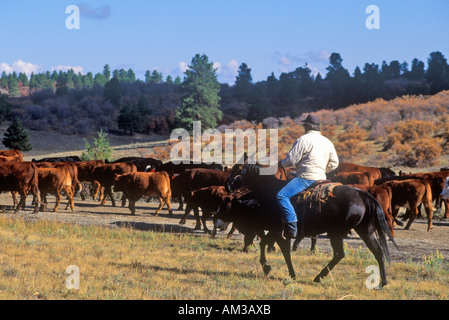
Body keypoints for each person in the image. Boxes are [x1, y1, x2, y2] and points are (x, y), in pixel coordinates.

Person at [276, 114, 339, 239]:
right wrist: (321, 169)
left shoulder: (303, 140)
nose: (303, 127)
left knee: (281, 195)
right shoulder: (327, 141)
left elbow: (291, 161)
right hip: (322, 178)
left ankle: (292, 225)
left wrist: (280, 164)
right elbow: (334, 163)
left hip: (305, 178)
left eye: (304, 124)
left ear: (308, 126)